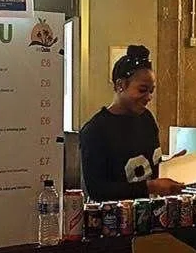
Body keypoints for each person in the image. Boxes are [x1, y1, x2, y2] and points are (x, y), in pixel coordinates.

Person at [79, 45, 184, 201]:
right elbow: (97, 190)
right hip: (116, 221)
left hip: (152, 217)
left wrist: (169, 167)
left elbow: (148, 168)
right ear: (120, 85)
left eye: (151, 91)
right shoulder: (95, 130)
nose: (148, 97)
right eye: (142, 90)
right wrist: (151, 187)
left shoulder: (147, 118)